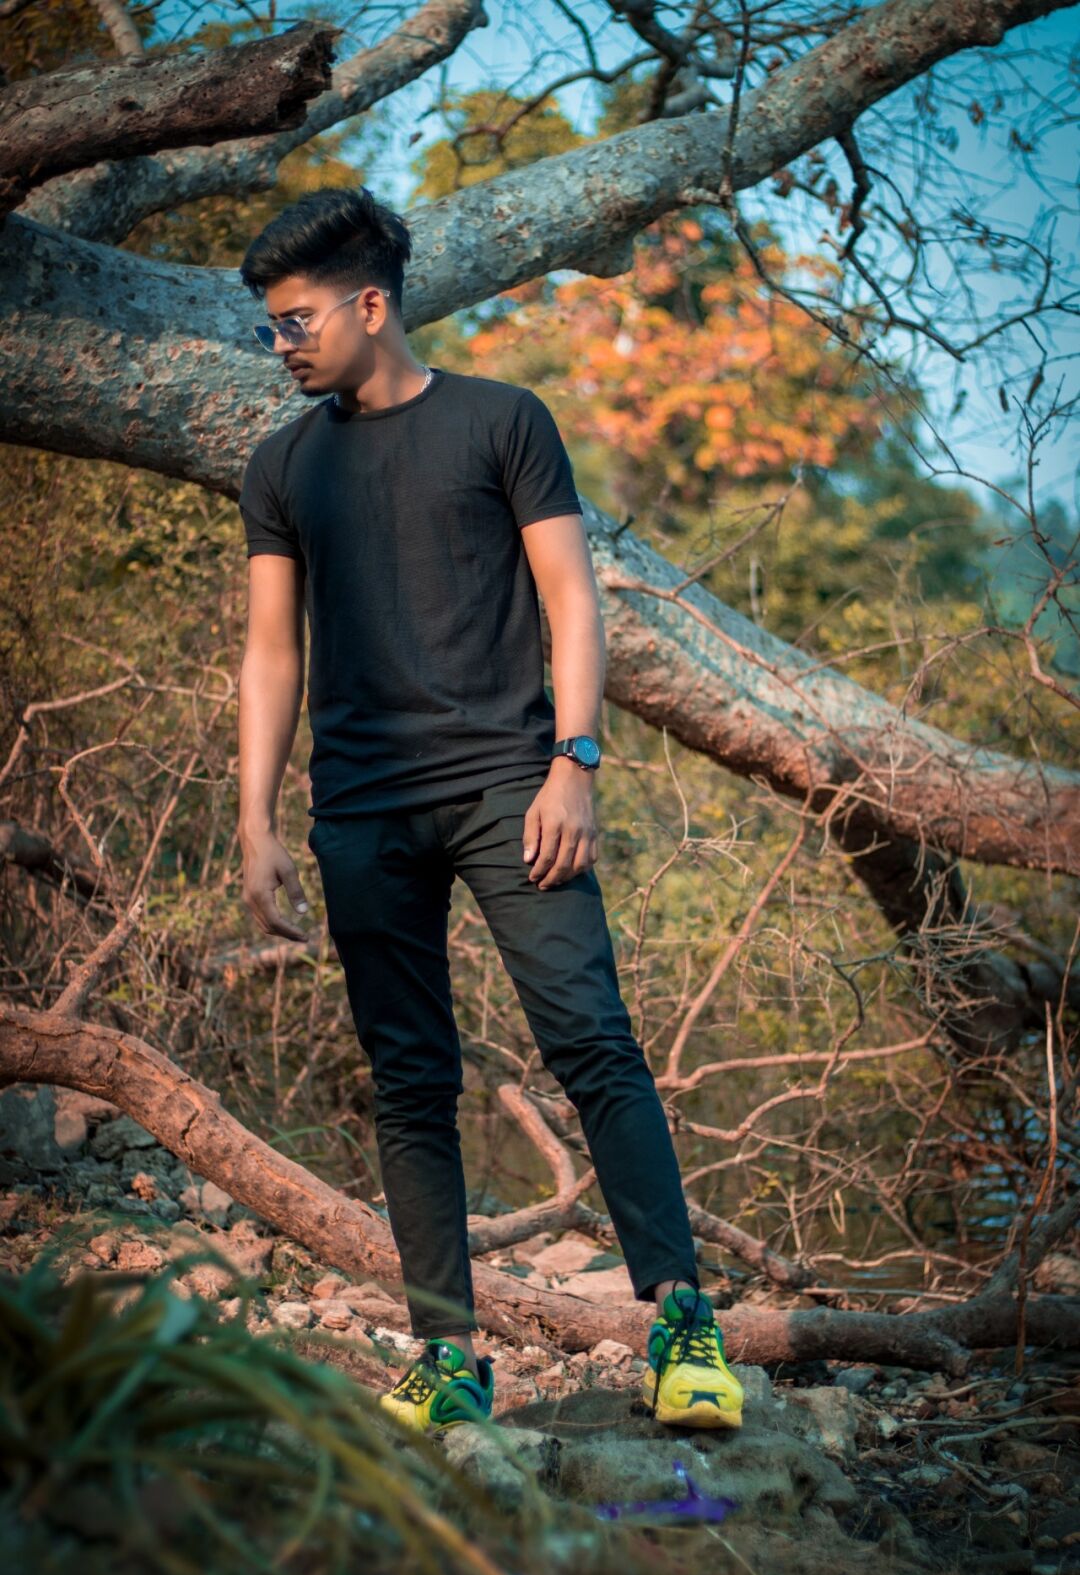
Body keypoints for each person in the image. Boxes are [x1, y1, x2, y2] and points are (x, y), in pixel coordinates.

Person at [235, 185, 744, 1434]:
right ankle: (449, 1358)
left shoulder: (502, 420)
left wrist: (576, 761)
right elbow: (271, 653)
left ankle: (683, 1329)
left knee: (591, 1039)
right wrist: (256, 821)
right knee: (410, 1079)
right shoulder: (282, 464)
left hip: (514, 789)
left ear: (371, 305)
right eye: (271, 325)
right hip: (362, 812)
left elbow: (573, 599)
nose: (281, 343)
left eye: (297, 320)